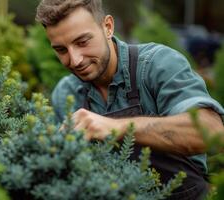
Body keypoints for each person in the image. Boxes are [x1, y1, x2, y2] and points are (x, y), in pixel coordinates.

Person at [35, 0, 224, 199]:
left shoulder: (157, 65)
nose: (75, 60)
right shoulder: (65, 94)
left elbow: (213, 133)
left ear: (108, 27)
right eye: (61, 50)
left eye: (82, 42)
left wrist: (116, 128)